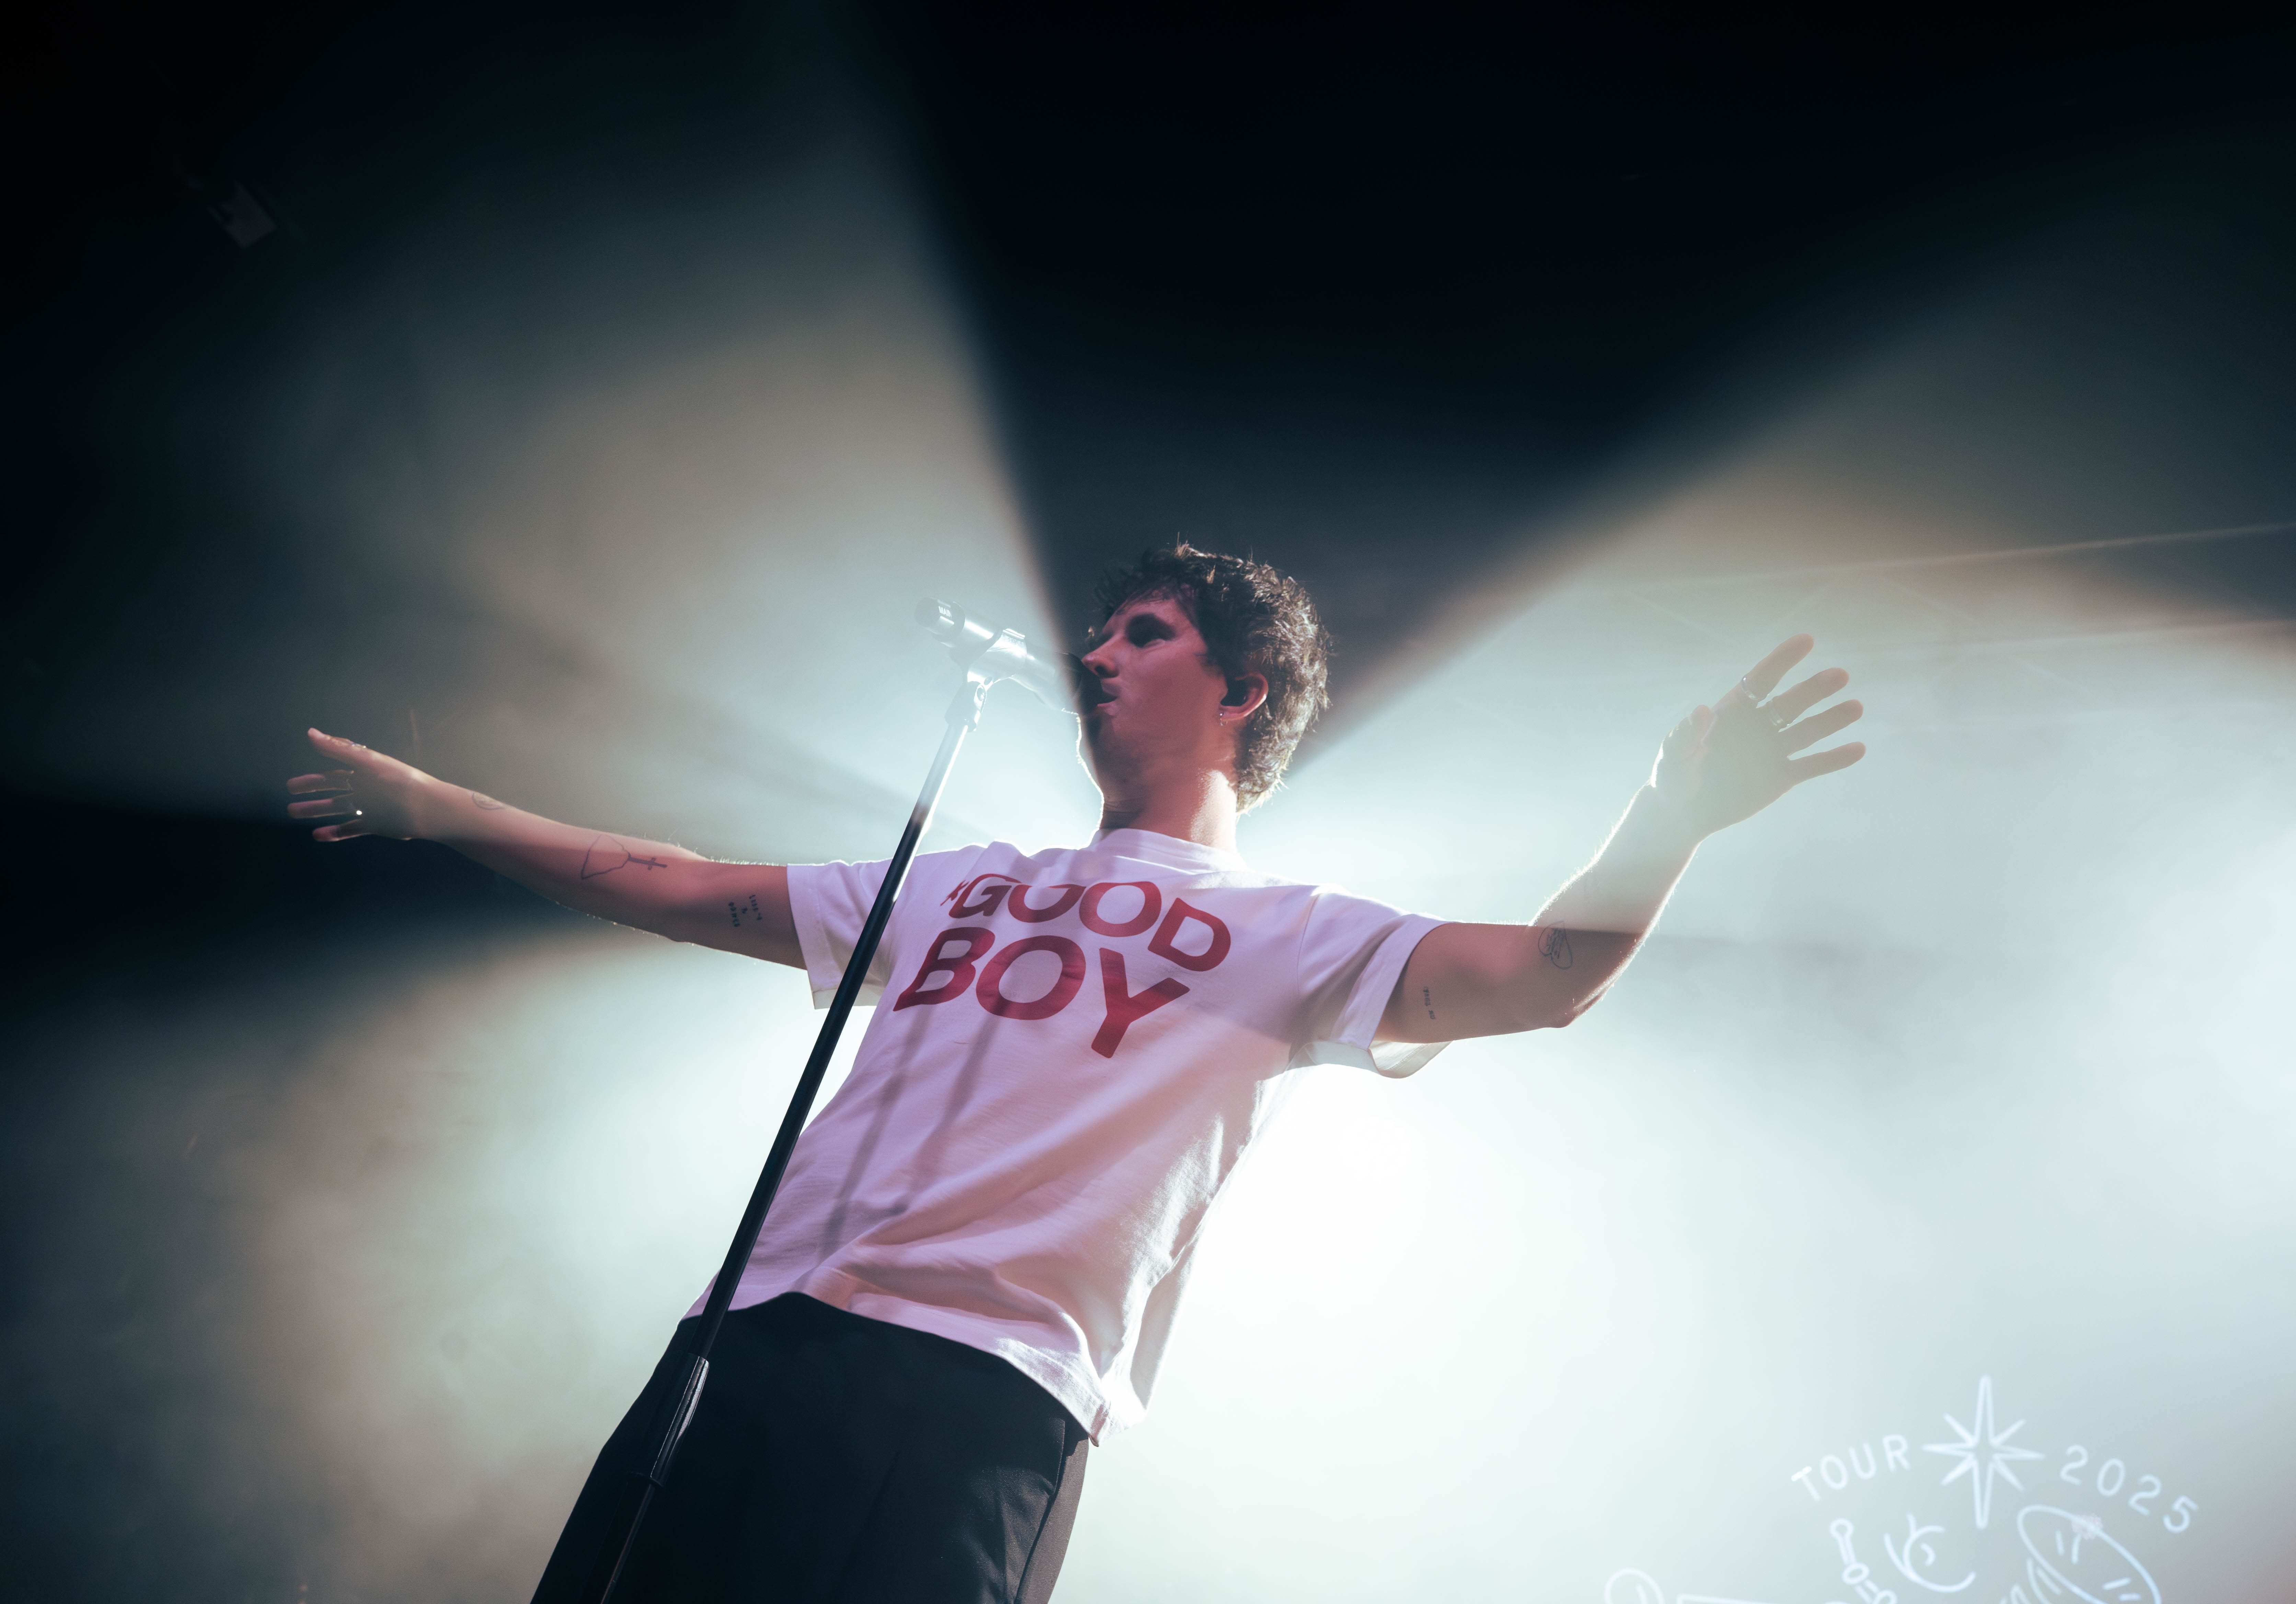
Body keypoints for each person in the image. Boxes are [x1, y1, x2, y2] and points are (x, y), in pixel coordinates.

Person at [286, 544, 1864, 1603]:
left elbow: (1542, 976)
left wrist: (1676, 819)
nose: (1096, 651)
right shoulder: (954, 880)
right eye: (1102, 628)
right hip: (754, 1345)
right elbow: (683, 882)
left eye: (1145, 633)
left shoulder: (1294, 930)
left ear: (1242, 691)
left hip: (976, 1395)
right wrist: (444, 806)